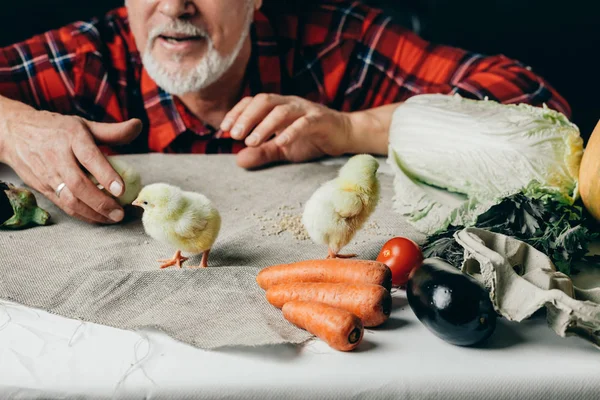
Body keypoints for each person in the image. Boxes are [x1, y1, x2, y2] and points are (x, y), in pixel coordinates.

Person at [0, 0, 570, 225]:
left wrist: (354, 128)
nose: (175, 6)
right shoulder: (87, 57)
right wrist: (13, 126)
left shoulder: (334, 41)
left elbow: (531, 98)